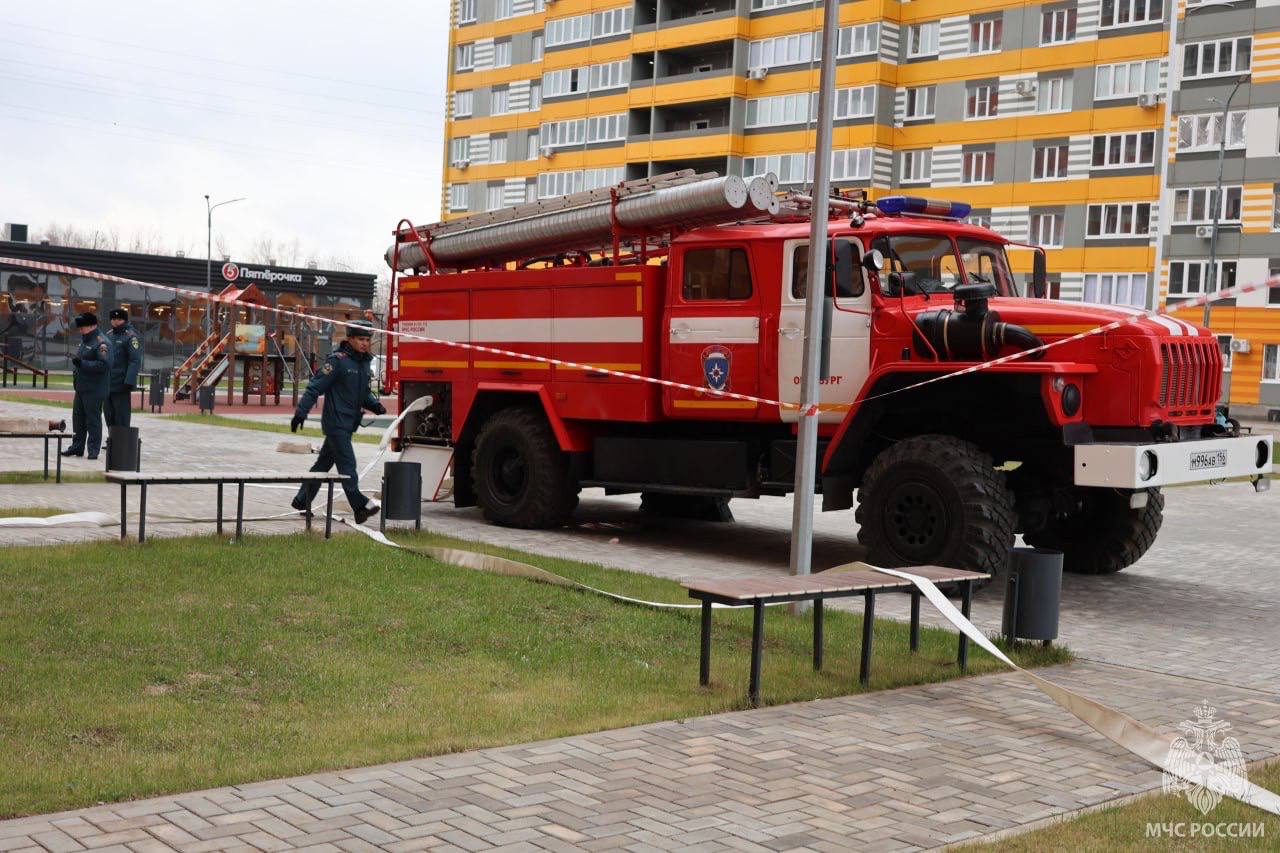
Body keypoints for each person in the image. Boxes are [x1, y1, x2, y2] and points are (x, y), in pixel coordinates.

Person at [289, 321, 386, 524]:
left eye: (368, 340)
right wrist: (301, 413)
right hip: (335, 424)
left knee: (322, 465)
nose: (364, 344)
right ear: (349, 339)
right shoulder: (337, 361)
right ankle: (360, 507)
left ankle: (301, 500)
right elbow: (314, 387)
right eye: (361, 339)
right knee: (348, 464)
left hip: (349, 424)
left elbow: (362, 392)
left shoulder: (363, 362)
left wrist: (375, 405)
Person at [61, 312, 112, 459]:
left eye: (82, 327)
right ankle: (77, 447)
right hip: (82, 387)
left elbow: (104, 365)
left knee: (92, 420)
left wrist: (82, 364)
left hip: (94, 388)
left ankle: (93, 450)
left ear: (92, 326)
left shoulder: (102, 343)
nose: (80, 330)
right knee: (78, 419)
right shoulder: (86, 340)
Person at [104, 308, 142, 428]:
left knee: (121, 417)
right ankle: (112, 442)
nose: (116, 322)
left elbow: (134, 360)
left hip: (121, 384)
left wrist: (129, 381)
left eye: (119, 319)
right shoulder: (108, 335)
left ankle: (121, 444)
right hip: (107, 382)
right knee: (108, 414)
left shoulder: (131, 337)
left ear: (124, 320)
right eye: (113, 319)